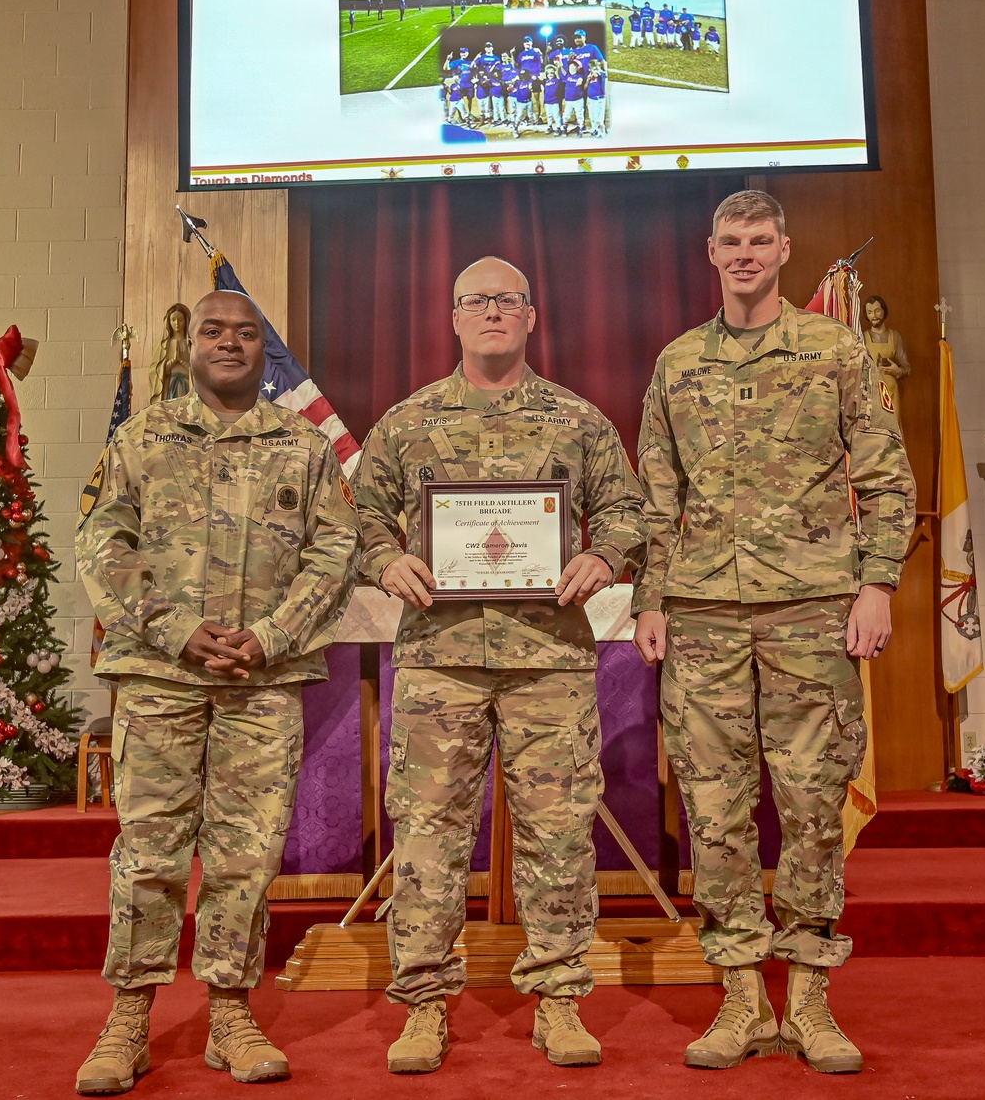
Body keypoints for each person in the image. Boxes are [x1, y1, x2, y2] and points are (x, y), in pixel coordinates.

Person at [632, 191, 915, 1076]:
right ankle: (743, 999)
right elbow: (656, 497)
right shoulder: (678, 362)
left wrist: (877, 586)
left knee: (812, 810)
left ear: (785, 249)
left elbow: (889, 476)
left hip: (813, 615)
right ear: (709, 252)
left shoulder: (835, 351)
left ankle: (813, 1000)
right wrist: (650, 598)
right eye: (731, 241)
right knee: (716, 817)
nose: (746, 253)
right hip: (707, 618)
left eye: (761, 240)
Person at [353, 257, 646, 1075]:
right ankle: (423, 1005)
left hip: (548, 658)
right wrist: (384, 562)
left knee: (559, 837)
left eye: (506, 301)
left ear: (531, 317)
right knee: (427, 838)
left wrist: (604, 555)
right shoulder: (407, 422)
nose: (491, 312)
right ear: (451, 317)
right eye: (475, 301)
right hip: (438, 663)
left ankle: (558, 1000)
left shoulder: (578, 421)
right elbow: (358, 521)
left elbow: (627, 511)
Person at [74, 290, 362, 1094]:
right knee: (151, 850)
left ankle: (230, 1012)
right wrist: (172, 630)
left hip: (262, 681)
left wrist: (269, 637)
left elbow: (336, 551)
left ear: (264, 351)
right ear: (191, 347)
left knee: (246, 854)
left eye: (245, 333)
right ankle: (129, 1016)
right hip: (162, 676)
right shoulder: (141, 438)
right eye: (214, 331)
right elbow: (101, 541)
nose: (230, 343)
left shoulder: (305, 449)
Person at [863, 295, 910, 416]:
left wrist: (898, 371)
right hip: (872, 391)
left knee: (893, 426)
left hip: (891, 391)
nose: (874, 316)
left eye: (877, 311)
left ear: (884, 311)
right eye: (869, 312)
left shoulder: (895, 337)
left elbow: (906, 368)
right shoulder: (863, 338)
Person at [148, 303, 191, 404]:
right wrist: (172, 362)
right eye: (173, 320)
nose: (177, 323)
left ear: (186, 321)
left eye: (180, 320)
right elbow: (154, 371)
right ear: (168, 322)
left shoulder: (191, 344)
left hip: (187, 386)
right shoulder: (164, 345)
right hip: (169, 386)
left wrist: (182, 361)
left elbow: (199, 370)